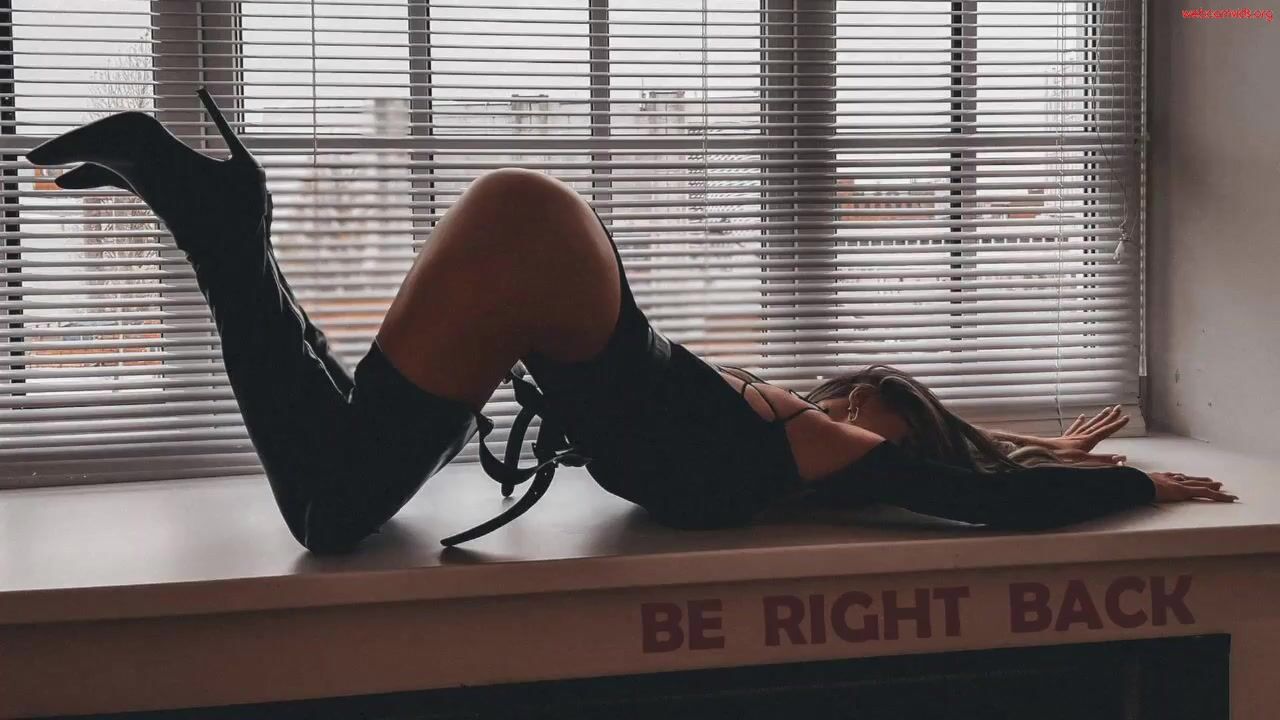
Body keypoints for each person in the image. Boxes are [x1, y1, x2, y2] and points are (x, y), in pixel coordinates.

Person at [25, 89, 1236, 555]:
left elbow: (970, 478)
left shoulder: (794, 449)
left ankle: (223, 218)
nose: (852, 419)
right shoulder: (802, 446)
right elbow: (974, 494)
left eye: (872, 410)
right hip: (541, 254)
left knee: (341, 462)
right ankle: (217, 227)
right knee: (329, 513)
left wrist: (1057, 458)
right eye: (863, 404)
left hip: (539, 248)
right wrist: (1120, 483)